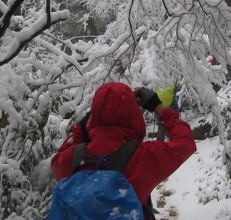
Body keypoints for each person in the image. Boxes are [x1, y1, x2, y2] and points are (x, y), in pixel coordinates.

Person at [50, 82, 196, 219]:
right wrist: (157, 106)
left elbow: (58, 158)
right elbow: (185, 142)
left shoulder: (71, 159)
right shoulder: (143, 157)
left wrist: (83, 126)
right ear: (133, 114)